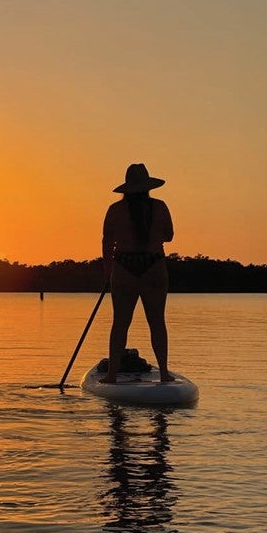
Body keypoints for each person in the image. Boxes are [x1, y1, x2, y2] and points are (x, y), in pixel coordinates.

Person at [100, 163, 174, 383]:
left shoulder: (115, 210)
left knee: (120, 323)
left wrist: (107, 271)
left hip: (124, 269)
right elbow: (169, 236)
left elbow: (107, 241)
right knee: (157, 321)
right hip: (154, 267)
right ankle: (163, 373)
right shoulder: (160, 207)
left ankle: (112, 375)